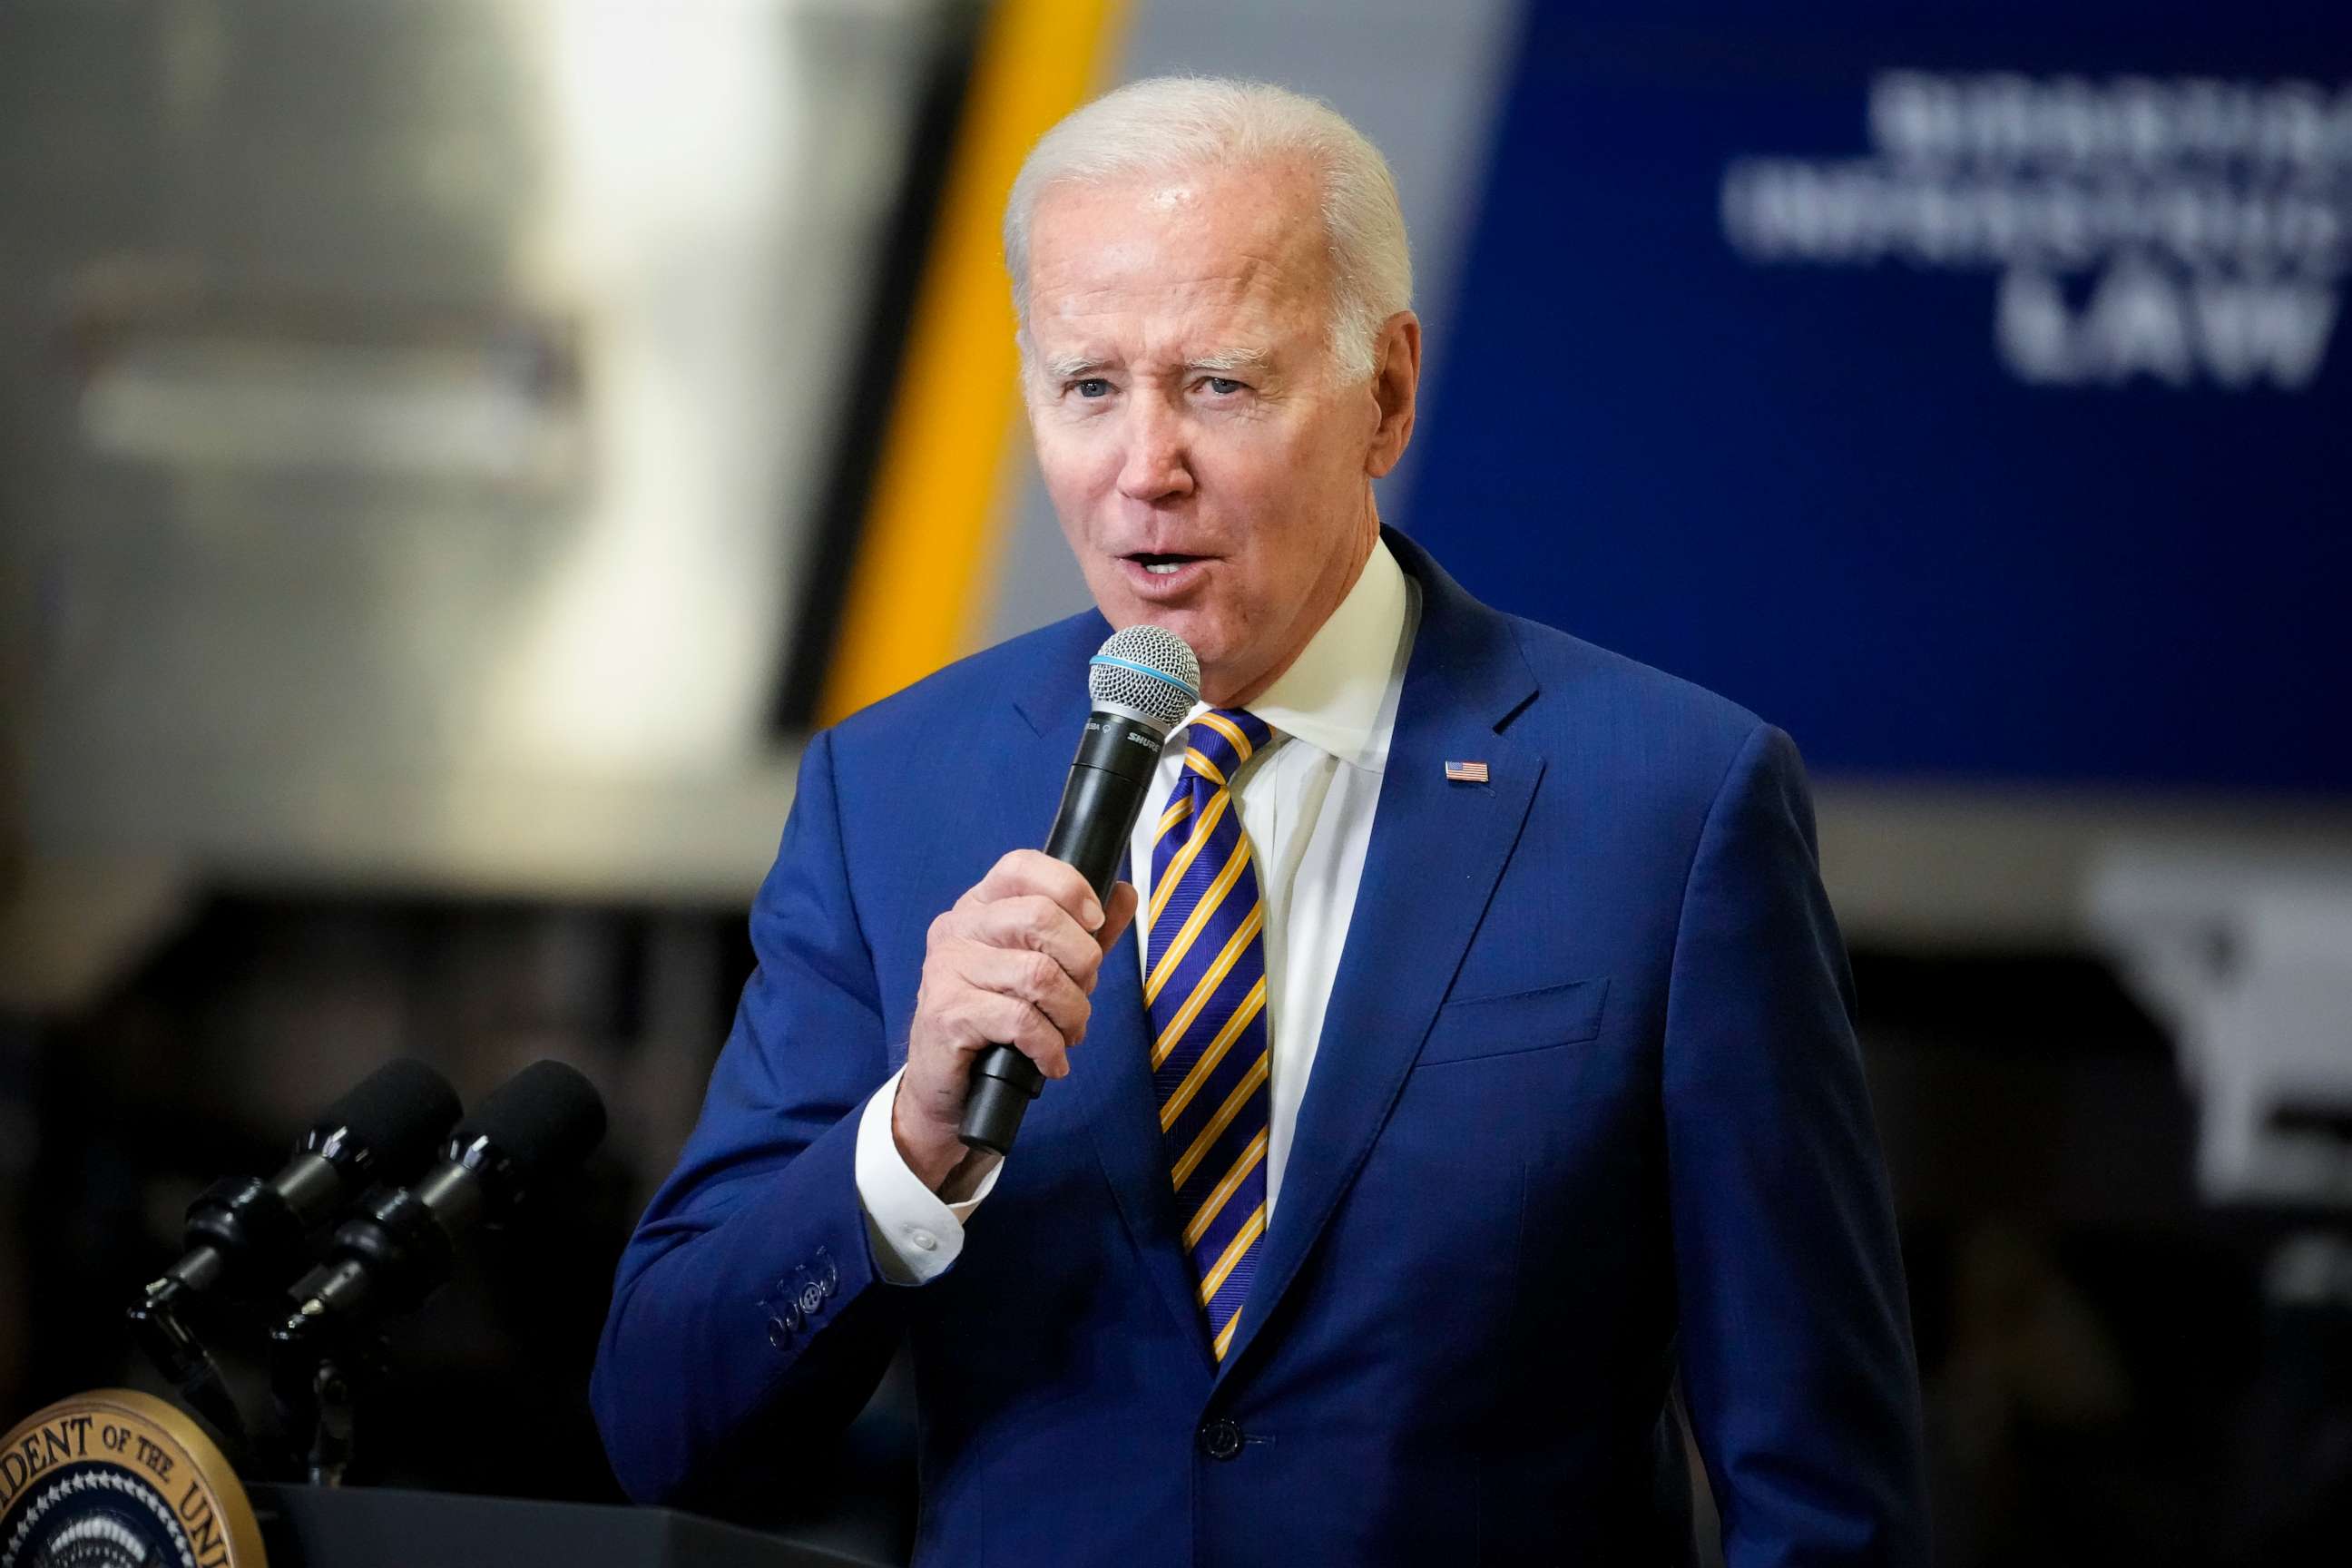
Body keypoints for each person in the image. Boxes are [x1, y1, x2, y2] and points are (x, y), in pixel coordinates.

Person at [593, 76, 1928, 1564]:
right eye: (1088, 386)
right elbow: (667, 1428)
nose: (1143, 467)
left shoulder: (1669, 805)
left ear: (1388, 394)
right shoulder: (891, 790)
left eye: (1220, 384)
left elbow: (1821, 1492)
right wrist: (905, 1146)